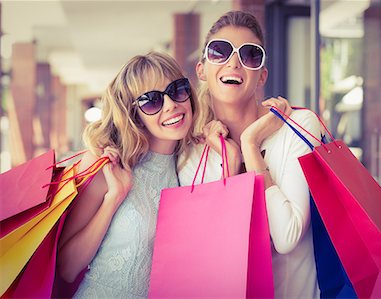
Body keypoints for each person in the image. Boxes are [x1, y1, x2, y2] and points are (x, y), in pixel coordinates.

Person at [178, 11, 321, 298]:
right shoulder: (192, 154)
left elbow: (286, 236)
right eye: (219, 52)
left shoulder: (299, 127)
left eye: (250, 55)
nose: (233, 62)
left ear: (261, 76)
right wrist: (231, 162)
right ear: (202, 70)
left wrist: (250, 144)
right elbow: (216, 251)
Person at [57, 51, 198, 298]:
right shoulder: (106, 164)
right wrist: (114, 197)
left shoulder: (194, 161)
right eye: (151, 101)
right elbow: (66, 268)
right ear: (135, 115)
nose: (171, 105)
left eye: (176, 90)